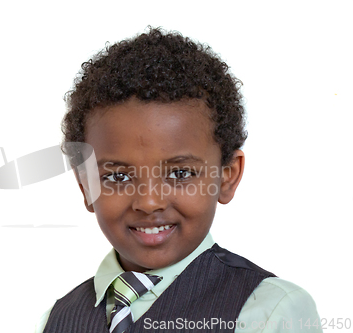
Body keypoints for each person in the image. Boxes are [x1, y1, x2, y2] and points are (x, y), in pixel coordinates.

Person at [35, 27, 322, 333]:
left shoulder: (269, 312)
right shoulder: (58, 318)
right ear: (85, 186)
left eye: (180, 173)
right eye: (117, 176)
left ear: (228, 176)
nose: (148, 202)